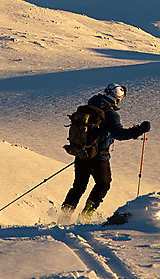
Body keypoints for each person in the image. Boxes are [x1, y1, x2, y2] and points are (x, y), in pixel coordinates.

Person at [61, 83, 150, 221]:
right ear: (117, 98)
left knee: (78, 186)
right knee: (103, 184)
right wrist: (139, 130)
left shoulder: (89, 106)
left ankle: (64, 216)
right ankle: (85, 216)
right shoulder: (111, 114)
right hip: (99, 157)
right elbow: (119, 134)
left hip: (81, 153)